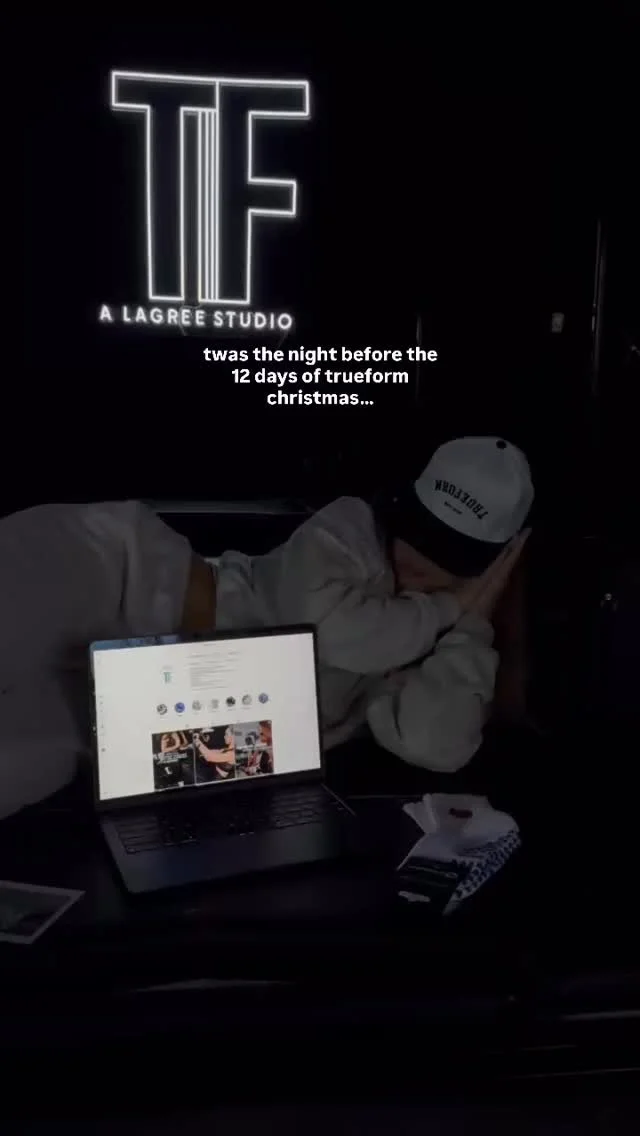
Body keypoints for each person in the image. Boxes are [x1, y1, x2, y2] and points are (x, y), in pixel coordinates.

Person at [0, 436, 533, 818]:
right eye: (418, 529)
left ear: (488, 565)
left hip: (154, 725)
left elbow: (435, 744)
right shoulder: (352, 526)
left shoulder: (443, 641)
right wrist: (447, 607)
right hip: (140, 584)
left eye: (447, 552)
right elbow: (328, 631)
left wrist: (472, 622)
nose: (416, 556)